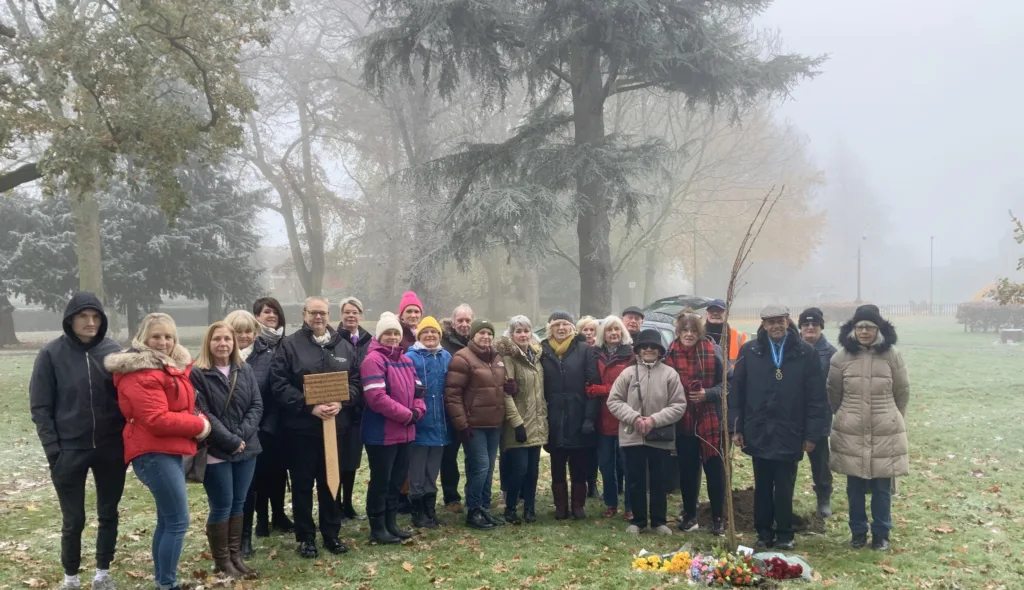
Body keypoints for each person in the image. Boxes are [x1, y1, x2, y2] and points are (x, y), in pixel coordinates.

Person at [105, 313, 212, 590]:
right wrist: (199, 425)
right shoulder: (140, 372)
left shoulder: (169, 368)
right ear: (143, 339)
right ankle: (167, 584)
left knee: (168, 519)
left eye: (168, 336)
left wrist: (195, 417)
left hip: (169, 450)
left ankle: (164, 580)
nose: (163, 342)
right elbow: (156, 418)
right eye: (156, 336)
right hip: (153, 452)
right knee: (178, 520)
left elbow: (181, 406)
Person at [30, 293, 124, 590]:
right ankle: (70, 577)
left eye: (96, 316)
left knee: (109, 512)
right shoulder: (51, 354)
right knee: (74, 519)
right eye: (84, 316)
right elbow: (40, 406)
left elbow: (129, 397)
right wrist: (53, 450)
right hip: (69, 449)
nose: (91, 322)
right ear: (71, 319)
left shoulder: (113, 351)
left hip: (110, 449)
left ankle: (102, 574)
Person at [729, 305, 829, 551]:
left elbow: (816, 397)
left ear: (787, 322)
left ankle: (785, 533)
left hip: (790, 430)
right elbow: (737, 392)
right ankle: (763, 532)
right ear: (763, 324)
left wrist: (812, 434)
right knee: (762, 484)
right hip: (758, 429)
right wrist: (736, 428)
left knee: (785, 484)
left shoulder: (805, 353)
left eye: (780, 321)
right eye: (770, 321)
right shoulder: (750, 351)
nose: (776, 326)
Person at [269, 297, 359, 558]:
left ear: (329, 315)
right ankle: (306, 537)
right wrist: (309, 407)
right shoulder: (290, 345)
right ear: (304, 314)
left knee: (332, 481)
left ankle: (331, 533)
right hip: (302, 430)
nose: (318, 317)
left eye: (322, 313)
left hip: (335, 427)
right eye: (313, 313)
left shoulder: (342, 346)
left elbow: (355, 381)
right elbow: (279, 384)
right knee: (303, 484)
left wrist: (342, 401)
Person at [828, 305, 910, 552]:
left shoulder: (892, 356)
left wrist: (893, 416)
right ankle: (858, 532)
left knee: (882, 486)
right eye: (860, 327)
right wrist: (846, 415)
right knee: (854, 486)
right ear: (853, 329)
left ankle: (881, 533)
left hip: (885, 427)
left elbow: (902, 391)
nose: (864, 332)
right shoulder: (840, 358)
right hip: (851, 429)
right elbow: (833, 393)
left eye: (870, 327)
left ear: (878, 329)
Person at [190, 321, 263, 580]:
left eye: (227, 339)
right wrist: (229, 440)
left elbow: (256, 404)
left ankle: (236, 557)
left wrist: (241, 436)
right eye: (217, 339)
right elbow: (203, 411)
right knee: (222, 505)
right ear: (208, 343)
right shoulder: (198, 373)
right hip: (216, 449)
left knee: (239, 503)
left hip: (246, 448)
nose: (223, 344)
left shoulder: (244, 369)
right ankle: (222, 562)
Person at [607, 329, 688, 535]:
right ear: (638, 350)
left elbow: (679, 405)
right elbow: (614, 401)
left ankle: (659, 521)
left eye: (654, 346)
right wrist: (634, 418)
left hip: (660, 436)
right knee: (635, 479)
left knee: (659, 480)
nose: (649, 350)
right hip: (632, 436)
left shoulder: (670, 374)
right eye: (645, 346)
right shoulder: (627, 374)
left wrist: (654, 420)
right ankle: (638, 520)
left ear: (660, 350)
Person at [360, 312, 426, 544]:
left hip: (406, 432)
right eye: (387, 333)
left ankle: (391, 523)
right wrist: (407, 415)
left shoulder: (406, 361)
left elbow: (419, 391)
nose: (392, 337)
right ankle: (377, 527)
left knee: (397, 481)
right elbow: (376, 397)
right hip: (382, 434)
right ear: (380, 335)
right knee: (381, 481)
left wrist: (418, 410)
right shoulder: (373, 360)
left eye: (396, 333)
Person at [663, 312, 726, 536]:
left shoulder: (712, 351)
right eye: (684, 330)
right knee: (687, 471)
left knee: (715, 470)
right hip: (683, 421)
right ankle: (690, 516)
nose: (689, 335)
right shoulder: (669, 354)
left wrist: (707, 394)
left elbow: (725, 384)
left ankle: (718, 518)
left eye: (693, 331)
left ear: (699, 333)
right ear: (678, 332)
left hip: (709, 420)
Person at [445, 319, 507, 529]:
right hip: (474, 425)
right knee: (479, 467)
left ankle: (484, 508)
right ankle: (473, 510)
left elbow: (496, 386)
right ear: (473, 335)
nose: (486, 337)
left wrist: (510, 387)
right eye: (482, 333)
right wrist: (462, 424)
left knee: (489, 468)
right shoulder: (462, 358)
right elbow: (453, 395)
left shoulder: (496, 358)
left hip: (494, 424)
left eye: (489, 333)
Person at [242, 298, 292, 553]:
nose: (270, 315)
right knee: (257, 475)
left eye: (274, 311)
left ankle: (279, 515)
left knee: (278, 472)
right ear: (256, 317)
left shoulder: (286, 342)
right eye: (265, 312)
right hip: (257, 423)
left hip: (282, 421)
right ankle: (261, 519)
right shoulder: (254, 345)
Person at [541, 311, 600, 520]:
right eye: (556, 324)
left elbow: (593, 385)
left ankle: (578, 505)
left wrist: (589, 418)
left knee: (579, 465)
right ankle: (560, 506)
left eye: (565, 324)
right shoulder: (543, 350)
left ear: (572, 328)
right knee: (557, 464)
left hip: (579, 414)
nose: (561, 328)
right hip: (554, 416)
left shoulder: (584, 350)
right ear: (550, 328)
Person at [495, 316, 548, 525]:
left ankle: (529, 509)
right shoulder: (509, 359)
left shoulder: (536, 356)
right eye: (518, 331)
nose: (523, 335)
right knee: (519, 469)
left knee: (533, 470)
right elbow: (506, 394)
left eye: (526, 331)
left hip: (537, 420)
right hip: (518, 423)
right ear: (512, 334)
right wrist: (517, 423)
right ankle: (510, 508)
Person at [405, 316, 453, 529]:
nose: (430, 336)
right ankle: (417, 511)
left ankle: (430, 509)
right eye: (426, 333)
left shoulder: (446, 357)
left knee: (432, 469)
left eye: (434, 332)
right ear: (419, 336)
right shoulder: (410, 358)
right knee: (417, 469)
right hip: (419, 422)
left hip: (440, 422)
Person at [585, 315, 634, 520]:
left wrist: (603, 389)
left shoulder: (631, 355)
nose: (613, 333)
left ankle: (631, 506)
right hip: (602, 417)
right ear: (602, 333)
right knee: (606, 465)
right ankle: (611, 503)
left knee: (628, 465)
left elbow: (631, 386)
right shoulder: (594, 354)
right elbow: (588, 385)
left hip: (626, 417)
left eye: (617, 329)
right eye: (609, 330)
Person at [797, 307, 838, 519]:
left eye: (814, 325)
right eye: (805, 325)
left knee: (821, 462)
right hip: (793, 417)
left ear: (821, 327)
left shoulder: (831, 354)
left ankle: (823, 499)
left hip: (820, 417)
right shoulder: (792, 350)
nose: (810, 328)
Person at [336, 296, 372, 521]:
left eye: (355, 312)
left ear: (361, 314)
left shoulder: (369, 340)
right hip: (339, 408)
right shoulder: (333, 339)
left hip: (361, 409)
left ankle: (348, 503)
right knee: (336, 460)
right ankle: (335, 503)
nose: (351, 315)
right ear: (341, 315)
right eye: (347, 312)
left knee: (351, 460)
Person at [440, 304, 473, 513]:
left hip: (474, 410)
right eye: (460, 320)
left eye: (468, 320)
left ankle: (474, 495)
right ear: (453, 322)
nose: (464, 324)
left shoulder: (478, 342)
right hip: (449, 409)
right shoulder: (443, 343)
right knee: (449, 457)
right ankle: (451, 497)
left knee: (473, 456)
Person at [575, 315, 601, 499]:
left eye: (592, 330)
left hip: (599, 402)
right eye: (586, 330)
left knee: (594, 450)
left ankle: (592, 483)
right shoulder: (577, 350)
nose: (589, 333)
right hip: (580, 401)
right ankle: (582, 482)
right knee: (582, 449)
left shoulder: (600, 350)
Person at [704, 299, 748, 369]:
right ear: (706, 314)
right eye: (712, 311)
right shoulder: (698, 335)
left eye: (719, 310)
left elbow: (745, 362)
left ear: (726, 314)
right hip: (705, 377)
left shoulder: (738, 336)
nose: (715, 313)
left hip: (730, 378)